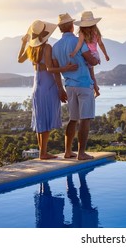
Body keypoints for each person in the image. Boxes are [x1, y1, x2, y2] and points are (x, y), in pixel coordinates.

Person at [18, 20, 77, 160]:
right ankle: (43, 153)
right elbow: (51, 69)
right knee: (47, 118)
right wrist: (66, 69)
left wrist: (23, 43)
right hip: (48, 86)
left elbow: (19, 60)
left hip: (37, 86)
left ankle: (42, 152)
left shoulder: (31, 49)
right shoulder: (47, 47)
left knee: (41, 119)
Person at [52, 13, 99, 160]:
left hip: (69, 86)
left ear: (60, 28)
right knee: (85, 119)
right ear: (72, 26)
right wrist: (96, 59)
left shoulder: (55, 47)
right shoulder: (78, 41)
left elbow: (56, 72)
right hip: (84, 84)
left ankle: (67, 151)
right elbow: (90, 59)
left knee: (73, 119)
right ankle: (81, 153)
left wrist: (60, 88)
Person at [70, 11, 110, 98]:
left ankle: (95, 90)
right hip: (95, 55)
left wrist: (74, 52)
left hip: (87, 56)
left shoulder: (82, 32)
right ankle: (96, 89)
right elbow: (101, 44)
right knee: (92, 75)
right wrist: (105, 55)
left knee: (89, 75)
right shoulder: (96, 32)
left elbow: (79, 44)